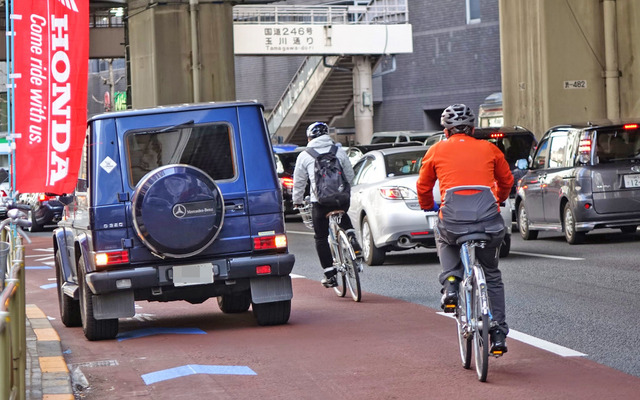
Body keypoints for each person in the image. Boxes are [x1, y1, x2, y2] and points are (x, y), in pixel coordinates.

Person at [416, 104, 513, 354]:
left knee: (444, 235)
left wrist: (428, 206)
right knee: (491, 274)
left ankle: (450, 282)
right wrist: (499, 198)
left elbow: (424, 186)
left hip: (453, 222)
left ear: (446, 131)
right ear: (472, 129)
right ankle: (499, 333)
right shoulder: (490, 148)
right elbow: (506, 180)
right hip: (488, 222)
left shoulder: (436, 150)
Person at [292, 122, 363, 288]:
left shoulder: (305, 155)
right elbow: (349, 174)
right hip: (341, 198)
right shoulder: (338, 150)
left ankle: (330, 274)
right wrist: (346, 189)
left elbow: (299, 182)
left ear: (310, 137)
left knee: (321, 237)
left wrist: (297, 200)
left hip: (321, 202)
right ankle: (351, 237)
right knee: (342, 214)